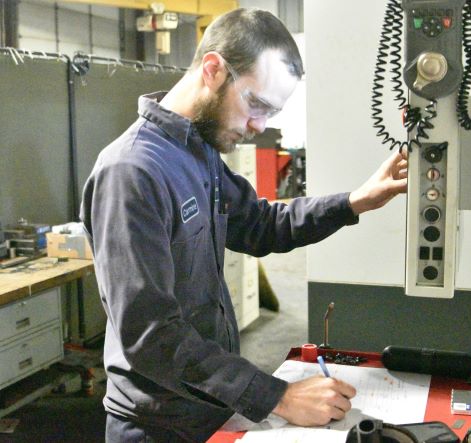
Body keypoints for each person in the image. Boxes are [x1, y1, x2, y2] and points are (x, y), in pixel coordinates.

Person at [80, 8, 408, 443]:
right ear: (213, 69)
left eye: (270, 111)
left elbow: (260, 225)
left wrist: (354, 201)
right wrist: (277, 397)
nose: (259, 126)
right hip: (156, 425)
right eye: (255, 104)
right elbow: (151, 334)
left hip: (210, 406)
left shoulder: (197, 153)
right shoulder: (132, 173)